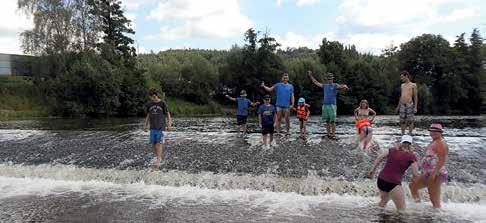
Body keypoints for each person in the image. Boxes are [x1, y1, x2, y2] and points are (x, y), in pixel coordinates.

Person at [368, 135, 420, 211]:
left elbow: (380, 157)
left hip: (381, 180)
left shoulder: (391, 150)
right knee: (402, 210)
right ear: (411, 144)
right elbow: (415, 174)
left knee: (383, 201)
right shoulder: (411, 156)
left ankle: (376, 216)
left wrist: (372, 170)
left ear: (401, 142)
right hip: (393, 183)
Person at [409, 123, 448, 209]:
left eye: (436, 131)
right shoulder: (435, 141)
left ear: (440, 132)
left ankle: (436, 216)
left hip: (436, 173)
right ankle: (418, 206)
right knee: (413, 186)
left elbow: (442, 160)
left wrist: (434, 173)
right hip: (429, 172)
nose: (433, 133)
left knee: (434, 198)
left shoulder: (441, 143)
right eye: (431, 131)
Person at [307, 71, 348, 139]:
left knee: (333, 121)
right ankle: (328, 134)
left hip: (332, 105)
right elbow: (316, 82)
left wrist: (345, 86)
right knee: (327, 121)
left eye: (331, 79)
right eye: (329, 79)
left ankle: (333, 134)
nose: (330, 80)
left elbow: (342, 86)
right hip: (325, 105)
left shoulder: (335, 85)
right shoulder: (325, 85)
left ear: (332, 79)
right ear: (327, 79)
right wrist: (311, 76)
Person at [143, 88, 172, 169]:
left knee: (159, 144)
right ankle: (157, 157)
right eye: (150, 97)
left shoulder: (162, 103)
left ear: (155, 95)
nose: (151, 98)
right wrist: (145, 125)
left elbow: (168, 114)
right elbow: (148, 115)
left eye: (152, 97)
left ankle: (159, 159)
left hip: (161, 127)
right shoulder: (149, 104)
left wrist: (169, 124)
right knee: (153, 143)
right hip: (152, 127)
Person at [395, 70, 418, 135]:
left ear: (406, 76)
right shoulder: (402, 85)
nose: (401, 78)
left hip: (409, 104)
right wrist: (398, 106)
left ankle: (410, 134)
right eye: (401, 77)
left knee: (410, 121)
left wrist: (415, 107)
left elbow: (415, 97)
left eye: (402, 77)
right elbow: (401, 96)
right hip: (402, 104)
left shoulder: (413, 85)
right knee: (402, 121)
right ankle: (403, 134)